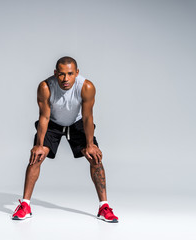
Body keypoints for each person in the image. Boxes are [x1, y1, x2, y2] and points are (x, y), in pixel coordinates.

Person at [12, 56, 118, 223]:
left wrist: (90, 145)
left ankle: (104, 206)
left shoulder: (86, 87)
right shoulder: (46, 87)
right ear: (55, 73)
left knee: (95, 158)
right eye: (61, 74)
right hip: (53, 124)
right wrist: (39, 145)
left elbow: (88, 117)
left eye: (70, 74)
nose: (66, 79)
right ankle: (25, 205)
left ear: (77, 73)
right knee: (36, 158)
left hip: (77, 124)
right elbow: (44, 117)